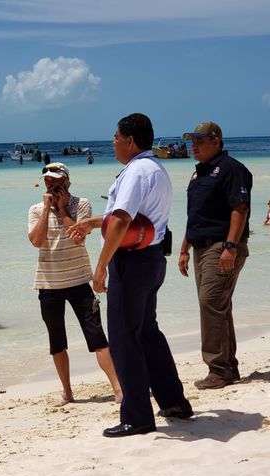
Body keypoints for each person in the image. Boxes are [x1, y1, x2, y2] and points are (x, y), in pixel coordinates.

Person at [69, 113, 192, 438]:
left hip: (131, 263)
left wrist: (99, 267)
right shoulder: (157, 169)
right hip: (152, 258)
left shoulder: (136, 171)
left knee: (125, 338)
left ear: (130, 141)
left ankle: (137, 417)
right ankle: (174, 402)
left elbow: (123, 220)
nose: (112, 142)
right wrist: (93, 222)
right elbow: (134, 218)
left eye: (116, 137)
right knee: (147, 332)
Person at [28, 162, 122, 407]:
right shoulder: (36, 210)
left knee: (97, 337)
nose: (51, 183)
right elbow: (37, 241)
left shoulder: (81, 204)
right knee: (56, 341)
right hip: (48, 284)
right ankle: (67, 393)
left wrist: (62, 210)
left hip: (79, 281)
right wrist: (49, 210)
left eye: (55, 179)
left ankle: (118, 388)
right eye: (47, 180)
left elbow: (78, 237)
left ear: (66, 181)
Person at [178, 121, 253, 390]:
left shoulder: (232, 169)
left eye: (200, 141)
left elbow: (240, 208)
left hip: (222, 246)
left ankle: (219, 369)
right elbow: (195, 214)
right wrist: (184, 248)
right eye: (192, 141)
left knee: (210, 302)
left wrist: (230, 247)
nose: (193, 146)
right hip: (200, 247)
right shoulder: (199, 174)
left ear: (217, 141)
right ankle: (227, 368)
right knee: (218, 306)